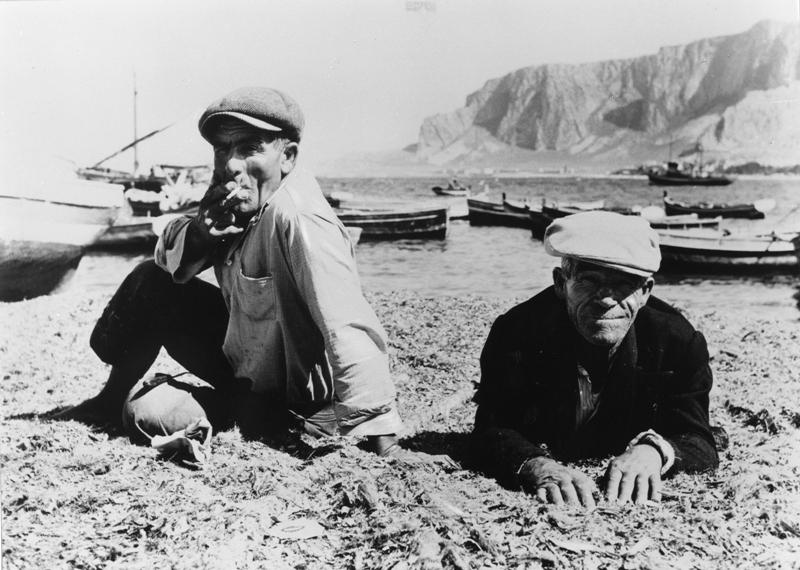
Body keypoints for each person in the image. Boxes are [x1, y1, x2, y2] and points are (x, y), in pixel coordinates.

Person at [54, 86, 406, 458]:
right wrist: (202, 234)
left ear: (287, 157)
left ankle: (256, 419)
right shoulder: (242, 202)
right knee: (151, 281)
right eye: (223, 149)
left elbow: (347, 322)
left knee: (146, 413)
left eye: (250, 147)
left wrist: (379, 434)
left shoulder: (296, 216)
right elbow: (167, 260)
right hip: (246, 365)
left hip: (294, 401)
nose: (232, 164)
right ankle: (107, 400)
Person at [472, 211, 719, 507]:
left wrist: (652, 452)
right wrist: (538, 466)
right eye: (588, 281)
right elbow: (492, 428)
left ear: (645, 291)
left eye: (624, 285)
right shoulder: (517, 332)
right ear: (561, 284)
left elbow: (698, 439)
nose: (605, 299)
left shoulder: (678, 342)